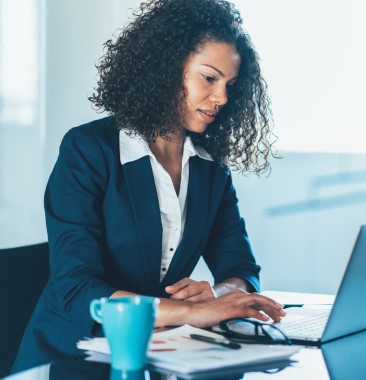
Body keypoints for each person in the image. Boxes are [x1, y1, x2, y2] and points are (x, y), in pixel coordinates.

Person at [12, 0, 285, 373]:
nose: (221, 97)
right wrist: (195, 312)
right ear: (167, 69)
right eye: (209, 78)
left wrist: (219, 294)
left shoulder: (210, 166)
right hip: (72, 356)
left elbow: (241, 266)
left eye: (229, 85)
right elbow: (79, 290)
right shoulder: (89, 150)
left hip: (156, 354)